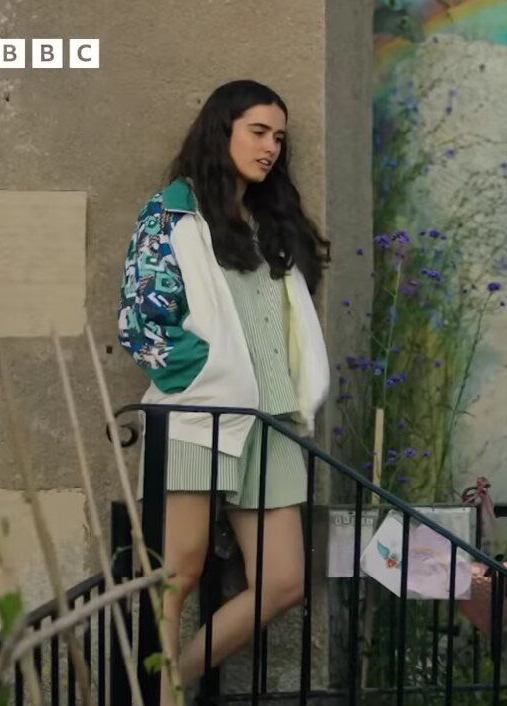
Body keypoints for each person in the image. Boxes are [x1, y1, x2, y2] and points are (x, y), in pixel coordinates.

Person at [116, 79, 331, 703]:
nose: (271, 148)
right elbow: (141, 319)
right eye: (258, 132)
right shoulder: (173, 214)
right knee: (176, 575)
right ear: (222, 131)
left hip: (274, 421)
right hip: (199, 415)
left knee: (283, 581)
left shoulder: (270, 223)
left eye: (279, 138)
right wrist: (205, 376)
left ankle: (170, 682)